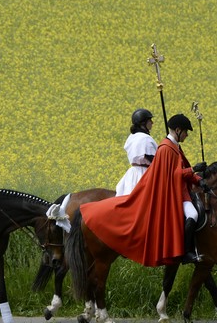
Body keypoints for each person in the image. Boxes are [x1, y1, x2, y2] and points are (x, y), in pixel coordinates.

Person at [80, 114, 205, 266]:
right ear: (178, 130)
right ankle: (186, 252)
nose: (186, 135)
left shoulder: (175, 147)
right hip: (173, 191)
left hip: (181, 189)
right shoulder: (166, 148)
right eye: (186, 132)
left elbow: (183, 169)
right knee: (192, 213)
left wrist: (199, 179)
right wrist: (194, 169)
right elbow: (173, 175)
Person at [115, 109, 158, 196]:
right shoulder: (145, 138)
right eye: (150, 120)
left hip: (132, 173)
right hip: (145, 174)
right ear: (143, 123)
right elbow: (152, 159)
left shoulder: (132, 137)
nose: (152, 123)